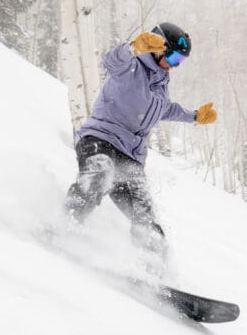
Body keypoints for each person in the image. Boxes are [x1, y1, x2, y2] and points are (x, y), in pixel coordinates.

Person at [63, 22, 217, 277]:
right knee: (100, 174)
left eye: (180, 60)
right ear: (159, 47)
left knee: (144, 211)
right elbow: (110, 61)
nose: (175, 64)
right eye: (174, 56)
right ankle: (65, 225)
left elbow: (165, 109)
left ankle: (156, 274)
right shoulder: (130, 66)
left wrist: (194, 117)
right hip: (100, 139)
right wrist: (133, 47)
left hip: (131, 156)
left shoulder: (161, 86)